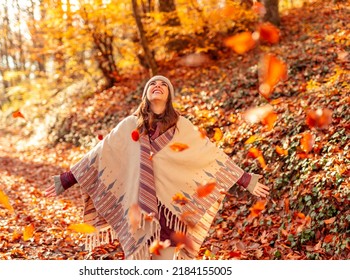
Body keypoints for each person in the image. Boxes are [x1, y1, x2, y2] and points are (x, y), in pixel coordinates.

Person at [45, 75, 270, 260]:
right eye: (152, 84)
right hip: (139, 211)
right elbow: (99, 156)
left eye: (163, 84)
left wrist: (246, 180)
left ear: (169, 95)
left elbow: (210, 157)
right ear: (146, 94)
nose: (158, 86)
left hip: (171, 212)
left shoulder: (183, 127)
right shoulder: (129, 126)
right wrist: (65, 181)